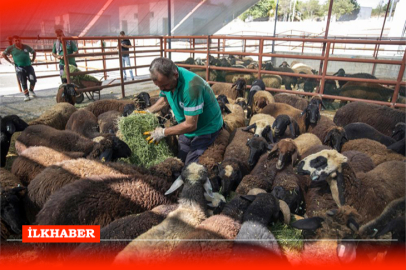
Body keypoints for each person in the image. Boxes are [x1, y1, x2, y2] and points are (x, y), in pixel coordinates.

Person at [143, 57, 223, 166]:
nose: (162, 89)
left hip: (205, 129)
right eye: (159, 86)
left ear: (175, 75)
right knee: (178, 161)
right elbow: (165, 98)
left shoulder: (191, 87)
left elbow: (191, 125)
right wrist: (148, 111)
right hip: (185, 128)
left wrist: (163, 132)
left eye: (165, 85)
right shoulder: (169, 82)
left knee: (190, 166)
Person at [2, 35, 37, 101]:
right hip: (19, 67)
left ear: (20, 40)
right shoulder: (11, 48)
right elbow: (3, 54)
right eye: (16, 41)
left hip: (28, 66)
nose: (17, 42)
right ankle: (26, 95)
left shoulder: (26, 47)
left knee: (33, 79)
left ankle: (31, 90)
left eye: (19, 40)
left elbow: (33, 52)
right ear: (13, 41)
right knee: (23, 81)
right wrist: (10, 62)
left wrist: (32, 59)